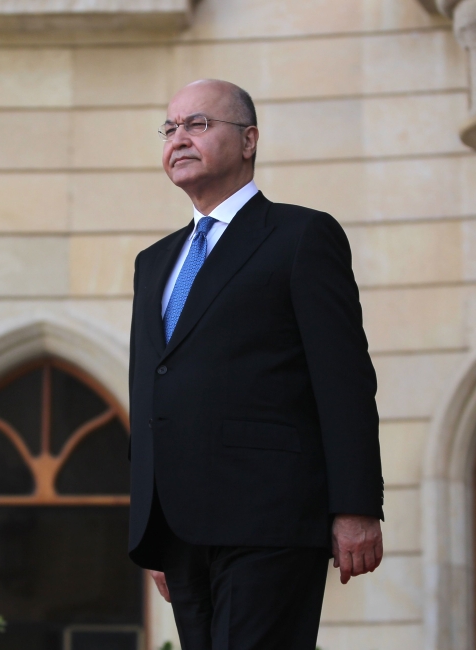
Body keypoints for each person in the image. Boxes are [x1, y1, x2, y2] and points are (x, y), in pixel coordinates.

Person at [127, 79, 384, 649]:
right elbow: (151, 388)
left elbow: (344, 381)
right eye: (170, 129)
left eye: (197, 125)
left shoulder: (300, 236)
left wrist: (356, 506)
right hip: (179, 526)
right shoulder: (155, 262)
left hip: (269, 516)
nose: (179, 139)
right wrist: (152, 526)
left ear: (249, 141)